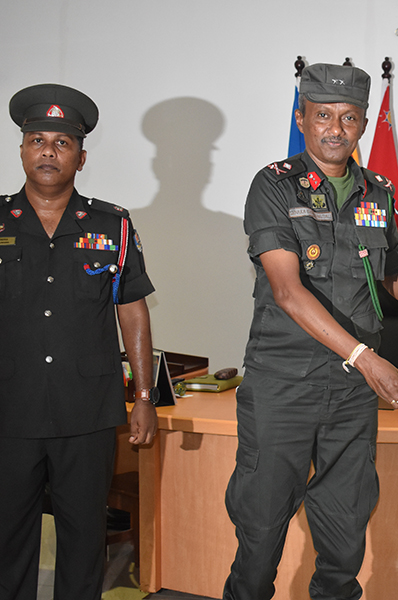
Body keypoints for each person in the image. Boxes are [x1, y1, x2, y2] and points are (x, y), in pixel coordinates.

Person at [223, 63, 398, 600]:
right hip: (284, 384)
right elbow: (286, 290)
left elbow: (394, 272)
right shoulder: (274, 186)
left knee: (345, 527)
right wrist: (366, 357)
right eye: (323, 115)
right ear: (301, 117)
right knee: (261, 531)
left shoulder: (377, 189)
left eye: (348, 118)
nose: (335, 128)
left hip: (350, 393)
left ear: (363, 123)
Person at [0, 84, 157, 600]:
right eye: (37, 140)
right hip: (9, 410)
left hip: (86, 412)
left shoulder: (113, 226)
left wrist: (143, 396)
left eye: (62, 142)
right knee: (8, 542)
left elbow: (130, 306)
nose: (49, 150)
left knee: (85, 539)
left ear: (81, 157)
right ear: (22, 150)